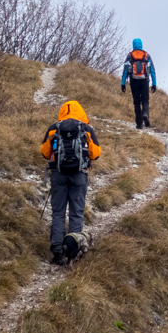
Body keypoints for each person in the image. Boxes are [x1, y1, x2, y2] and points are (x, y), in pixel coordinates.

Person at [40, 100, 102, 265]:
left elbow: (45, 153)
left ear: (62, 111)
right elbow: (95, 154)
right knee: (76, 213)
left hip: (58, 175)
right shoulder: (86, 129)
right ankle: (73, 251)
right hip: (79, 175)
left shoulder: (54, 128)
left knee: (58, 213)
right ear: (81, 112)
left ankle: (58, 252)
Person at [120, 38, 157, 129]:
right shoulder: (146, 55)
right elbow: (152, 70)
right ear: (141, 45)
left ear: (133, 45)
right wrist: (154, 83)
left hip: (133, 81)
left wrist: (123, 83)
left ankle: (139, 124)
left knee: (136, 102)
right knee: (145, 100)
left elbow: (125, 71)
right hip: (144, 80)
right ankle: (145, 114)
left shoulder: (130, 56)